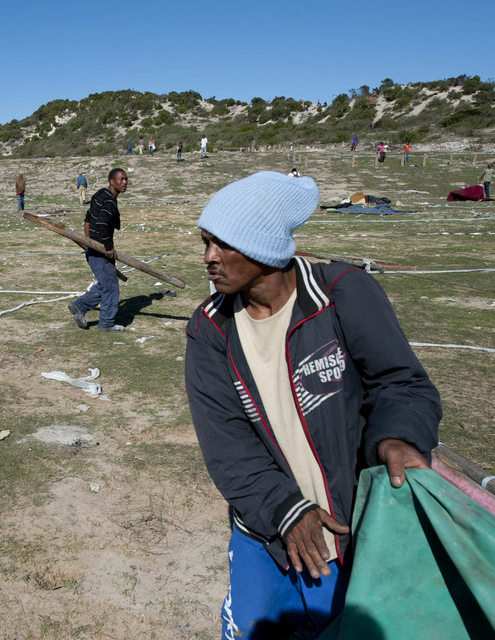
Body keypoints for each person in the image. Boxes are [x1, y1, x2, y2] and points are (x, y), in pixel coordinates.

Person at [184, 171, 441, 640]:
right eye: (205, 243)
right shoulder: (210, 330)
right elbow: (226, 442)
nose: (209, 258)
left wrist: (398, 439)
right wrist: (283, 509)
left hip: (348, 524)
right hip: (266, 529)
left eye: (222, 244)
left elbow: (400, 383)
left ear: (261, 245)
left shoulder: (342, 292)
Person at [68, 168, 128, 332]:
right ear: (112, 181)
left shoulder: (100, 195)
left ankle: (79, 307)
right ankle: (106, 324)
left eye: (126, 179)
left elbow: (88, 220)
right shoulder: (108, 201)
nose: (125, 182)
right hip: (100, 250)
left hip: (94, 248)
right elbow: (101, 224)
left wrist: (88, 243)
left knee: (105, 284)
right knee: (110, 287)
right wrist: (107, 247)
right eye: (121, 179)